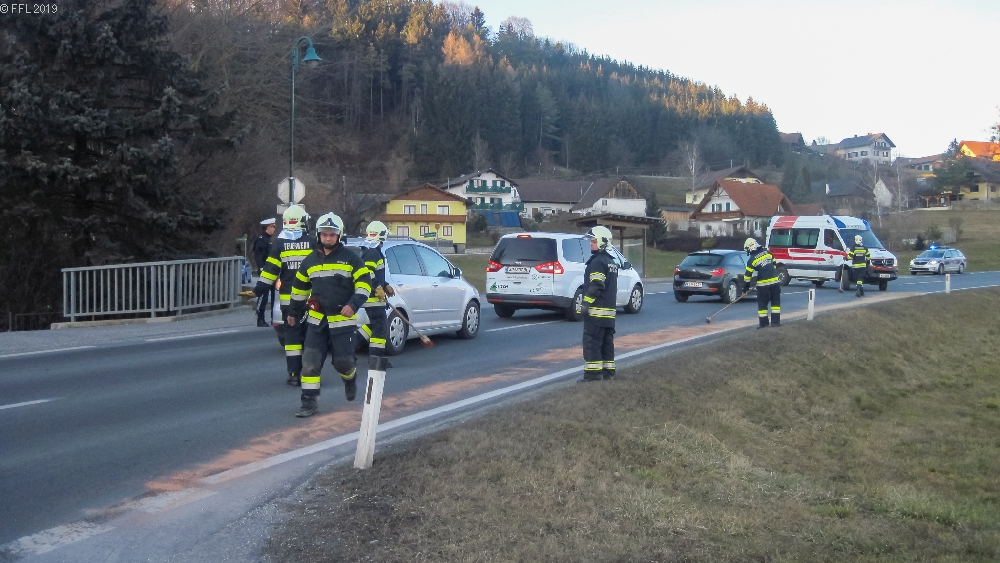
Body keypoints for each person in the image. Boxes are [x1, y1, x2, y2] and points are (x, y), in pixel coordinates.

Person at [286, 212, 373, 417]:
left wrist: (353, 304)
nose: (328, 238)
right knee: (310, 362)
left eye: (332, 235)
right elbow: (299, 290)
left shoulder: (351, 259)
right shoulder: (309, 261)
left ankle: (350, 379)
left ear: (339, 235)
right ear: (318, 235)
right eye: (324, 235)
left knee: (344, 363)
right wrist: (293, 312)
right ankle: (308, 403)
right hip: (317, 321)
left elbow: (365, 285)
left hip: (342, 321)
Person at [254, 205, 315, 385]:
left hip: (288, 302)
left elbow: (269, 272)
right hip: (311, 301)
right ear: (301, 222)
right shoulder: (312, 243)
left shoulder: (279, 245)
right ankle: (310, 373)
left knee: (292, 338)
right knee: (312, 337)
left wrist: (256, 291)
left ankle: (294, 375)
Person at [580, 226, 618, 382]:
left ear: (603, 242)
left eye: (594, 241)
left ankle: (593, 375)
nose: (591, 243)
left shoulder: (597, 262)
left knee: (592, 343)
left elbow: (597, 285)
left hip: (596, 314)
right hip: (609, 315)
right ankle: (608, 373)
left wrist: (585, 303)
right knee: (606, 345)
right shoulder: (611, 262)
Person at [357, 221, 395, 357]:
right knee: (380, 327)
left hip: (372, 296)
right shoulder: (373, 252)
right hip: (372, 297)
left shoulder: (370, 251)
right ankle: (376, 359)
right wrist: (379, 288)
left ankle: (353, 342)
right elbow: (367, 273)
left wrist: (385, 285)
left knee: (376, 325)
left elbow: (375, 273)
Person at [744, 238, 781, 328]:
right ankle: (775, 323)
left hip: (763, 285)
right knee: (775, 303)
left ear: (749, 248)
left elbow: (747, 277)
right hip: (775, 282)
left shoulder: (752, 260)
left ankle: (764, 325)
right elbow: (774, 264)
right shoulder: (768, 253)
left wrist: (745, 289)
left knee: (762, 304)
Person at [252, 218, 277, 327]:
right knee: (263, 296)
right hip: (265, 273)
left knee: (275, 297)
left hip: (273, 272)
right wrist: (262, 268)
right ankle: (260, 318)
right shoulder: (261, 240)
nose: (274, 229)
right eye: (273, 227)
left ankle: (274, 318)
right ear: (267, 227)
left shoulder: (272, 240)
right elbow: (258, 256)